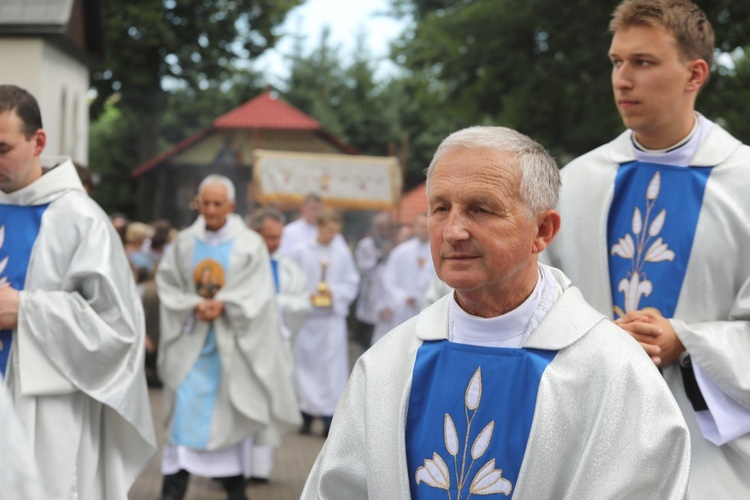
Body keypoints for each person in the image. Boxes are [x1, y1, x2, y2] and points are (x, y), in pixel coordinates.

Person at [301, 126, 690, 499]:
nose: (453, 231)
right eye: (440, 208)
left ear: (543, 230)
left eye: (480, 209)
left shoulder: (612, 371)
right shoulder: (388, 365)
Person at [542, 1, 750, 496]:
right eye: (617, 62)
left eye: (644, 62)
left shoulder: (745, 183)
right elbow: (538, 303)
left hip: (709, 454)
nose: (622, 79)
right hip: (590, 437)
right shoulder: (574, 184)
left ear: (693, 74)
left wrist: (686, 340)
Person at [0, 84, 156, 498]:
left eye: (2, 148)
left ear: (39, 142)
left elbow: (120, 329)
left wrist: (26, 309)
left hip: (45, 413)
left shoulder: (80, 219)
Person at [156, 175, 300, 500]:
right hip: (192, 350)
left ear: (231, 206)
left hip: (231, 352)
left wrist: (225, 305)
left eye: (216, 203)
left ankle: (237, 494)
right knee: (182, 427)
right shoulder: (184, 243)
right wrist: (193, 304)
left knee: (230, 433)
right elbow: (168, 284)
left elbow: (259, 295)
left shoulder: (249, 244)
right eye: (204, 203)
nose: (209, 210)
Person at [244, 207, 311, 483]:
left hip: (275, 347)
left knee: (269, 406)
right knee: (243, 404)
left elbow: (303, 303)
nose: (275, 243)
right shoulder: (241, 263)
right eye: (269, 237)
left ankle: (259, 468)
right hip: (244, 348)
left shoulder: (287, 268)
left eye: (278, 237)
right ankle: (233, 468)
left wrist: (277, 303)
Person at [288, 208, 359, 437]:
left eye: (336, 231)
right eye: (329, 231)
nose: (333, 236)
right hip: (308, 319)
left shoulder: (341, 253)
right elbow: (291, 280)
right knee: (305, 367)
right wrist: (303, 294)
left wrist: (334, 294)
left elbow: (351, 282)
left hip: (330, 321)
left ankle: (329, 418)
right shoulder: (301, 251)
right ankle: (305, 416)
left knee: (331, 371)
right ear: (319, 227)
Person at [380, 213, 435, 328]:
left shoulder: (437, 252)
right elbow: (389, 279)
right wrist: (403, 297)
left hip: (429, 308)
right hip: (403, 310)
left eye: (426, 226)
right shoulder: (400, 252)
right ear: (414, 227)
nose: (423, 229)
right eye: (420, 226)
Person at [353, 212, 393, 348]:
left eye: (386, 227)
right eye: (380, 226)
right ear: (375, 227)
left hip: (384, 292)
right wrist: (379, 256)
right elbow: (362, 267)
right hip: (369, 288)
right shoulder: (365, 244)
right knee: (367, 328)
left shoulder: (390, 244)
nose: (383, 230)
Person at [277, 192, 346, 256]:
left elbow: (343, 254)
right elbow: (283, 255)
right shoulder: (289, 232)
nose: (315, 212)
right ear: (302, 209)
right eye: (312, 208)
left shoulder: (331, 232)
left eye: (318, 209)